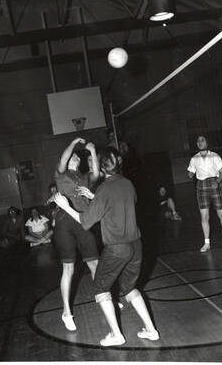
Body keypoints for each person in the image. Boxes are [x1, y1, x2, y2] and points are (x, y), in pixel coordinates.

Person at [54, 147, 159, 346]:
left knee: (101, 289)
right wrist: (95, 198)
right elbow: (120, 201)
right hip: (136, 245)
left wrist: (66, 206)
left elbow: (85, 220)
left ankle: (116, 335)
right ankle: (151, 330)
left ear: (102, 169)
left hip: (118, 247)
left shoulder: (103, 189)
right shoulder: (127, 183)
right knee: (129, 289)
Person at [54, 137, 100, 331]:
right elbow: (64, 159)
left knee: (94, 264)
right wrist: (73, 143)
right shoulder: (60, 174)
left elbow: (96, 173)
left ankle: (104, 297)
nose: (72, 158)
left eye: (75, 157)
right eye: (71, 156)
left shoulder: (83, 178)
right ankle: (66, 312)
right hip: (65, 222)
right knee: (68, 269)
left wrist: (92, 151)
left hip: (83, 221)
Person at [187, 135, 222, 252]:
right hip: (201, 186)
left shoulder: (215, 156)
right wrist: (190, 173)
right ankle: (206, 243)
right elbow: (190, 173)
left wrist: (218, 181)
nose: (200, 142)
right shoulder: (194, 159)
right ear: (197, 144)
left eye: (202, 140)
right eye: (198, 141)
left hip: (215, 183)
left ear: (207, 143)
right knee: (204, 216)